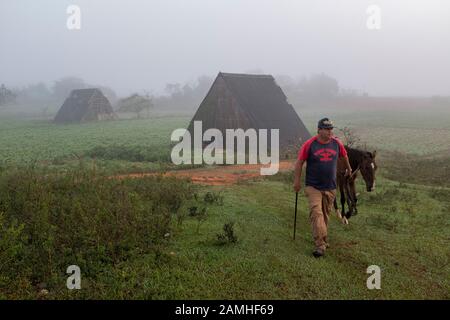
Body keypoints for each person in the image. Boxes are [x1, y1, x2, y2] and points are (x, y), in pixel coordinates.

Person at [293, 117, 352, 258]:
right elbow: (299, 163)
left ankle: (323, 239)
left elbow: (344, 156)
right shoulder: (310, 144)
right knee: (316, 212)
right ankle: (320, 245)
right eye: (326, 129)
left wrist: (349, 169)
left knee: (325, 214)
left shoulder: (337, 143)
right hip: (313, 186)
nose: (329, 131)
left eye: (331, 129)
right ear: (319, 130)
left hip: (330, 187)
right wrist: (297, 182)